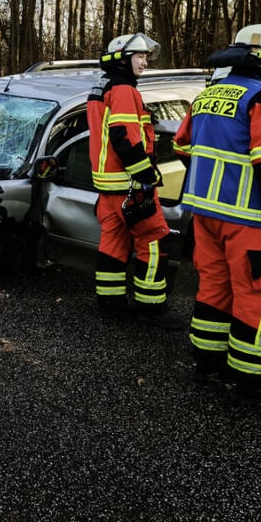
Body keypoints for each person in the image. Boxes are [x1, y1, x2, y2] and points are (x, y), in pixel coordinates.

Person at [173, 23, 261, 402]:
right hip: (258, 220)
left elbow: (184, 147)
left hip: (207, 216)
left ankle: (208, 361)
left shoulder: (208, 97)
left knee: (215, 287)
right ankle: (255, 381)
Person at [86, 33, 182, 330]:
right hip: (129, 185)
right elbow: (124, 136)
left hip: (107, 186)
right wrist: (146, 175)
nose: (144, 61)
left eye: (145, 56)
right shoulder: (124, 89)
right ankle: (151, 307)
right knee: (154, 240)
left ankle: (110, 302)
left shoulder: (100, 87)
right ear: (122, 59)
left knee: (112, 242)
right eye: (139, 56)